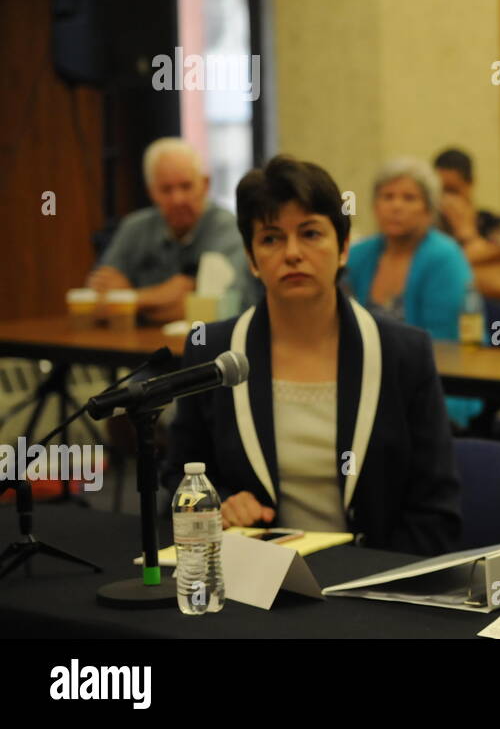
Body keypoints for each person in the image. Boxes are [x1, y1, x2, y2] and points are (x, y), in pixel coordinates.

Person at [161, 155, 461, 556]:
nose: (292, 253)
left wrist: (369, 585)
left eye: (311, 234)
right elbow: (179, 481)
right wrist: (220, 504)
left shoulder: (402, 352)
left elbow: (436, 512)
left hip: (374, 585)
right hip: (255, 581)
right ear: (251, 259)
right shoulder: (213, 351)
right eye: (271, 238)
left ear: (342, 249)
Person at [346, 157, 482, 428]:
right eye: (387, 196)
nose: (396, 206)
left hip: (437, 388)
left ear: (429, 210)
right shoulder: (359, 255)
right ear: (375, 206)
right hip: (370, 385)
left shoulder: (445, 258)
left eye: (409, 198)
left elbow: (444, 350)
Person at [87, 138, 256, 323]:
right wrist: (161, 295)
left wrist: (127, 300)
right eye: (166, 189)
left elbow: (217, 312)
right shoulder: (134, 227)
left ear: (205, 184)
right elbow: (96, 301)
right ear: (151, 192)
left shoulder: (228, 228)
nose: (177, 199)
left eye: (186, 186)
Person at [432, 148, 500, 302]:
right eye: (440, 192)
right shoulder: (429, 229)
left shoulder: (495, 224)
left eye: (452, 191)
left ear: (470, 184)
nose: (446, 201)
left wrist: (467, 234)